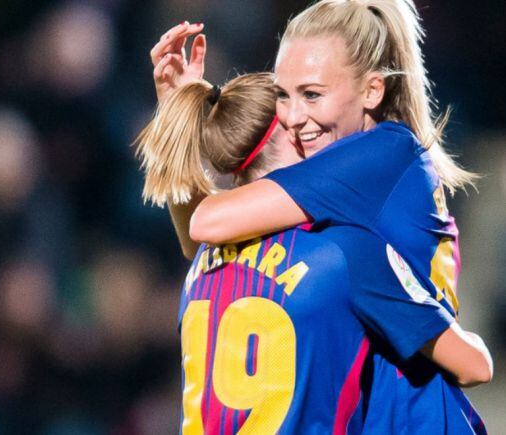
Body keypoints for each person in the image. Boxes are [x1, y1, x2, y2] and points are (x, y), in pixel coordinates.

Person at [137, 0, 493, 431]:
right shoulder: (345, 227)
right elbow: (202, 239)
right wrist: (177, 115)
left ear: (372, 91)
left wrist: (180, 123)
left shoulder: (380, 154)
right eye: (283, 95)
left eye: (312, 94)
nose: (294, 117)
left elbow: (203, 228)